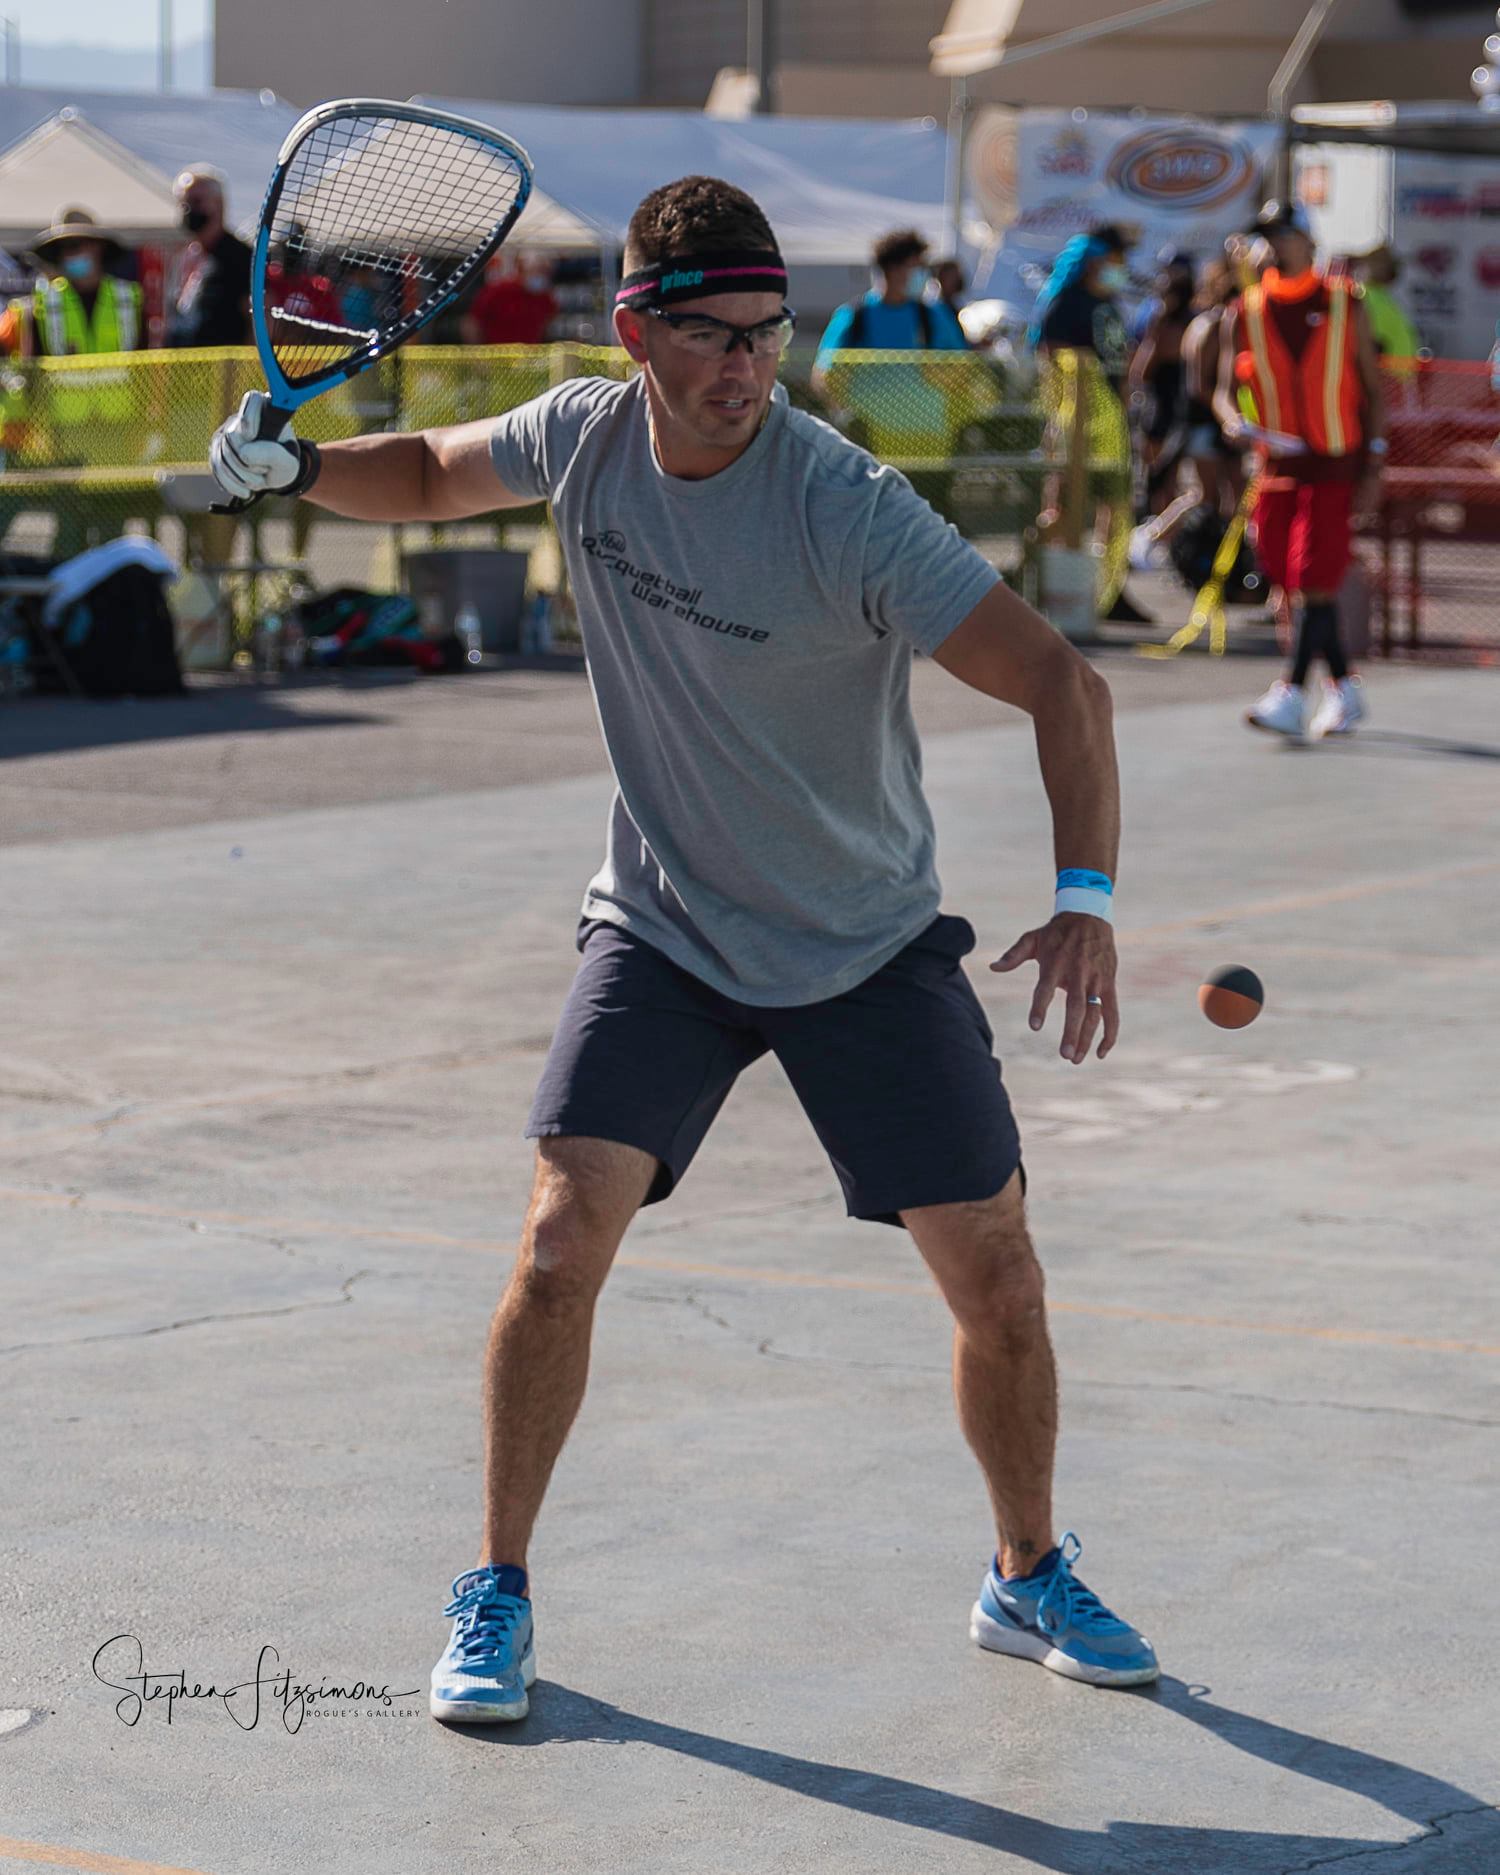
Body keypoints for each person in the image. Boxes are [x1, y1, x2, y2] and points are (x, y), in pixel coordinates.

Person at [211, 173, 1158, 1719]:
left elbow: (1067, 680)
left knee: (998, 1278)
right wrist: (297, 466)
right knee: (556, 1244)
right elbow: (435, 472)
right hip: (662, 923)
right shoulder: (584, 437)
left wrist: (1088, 896)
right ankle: (497, 1588)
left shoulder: (845, 502)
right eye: (713, 333)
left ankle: (1025, 1567)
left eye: (767, 334)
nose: (746, 365)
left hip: (861, 936)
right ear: (636, 329)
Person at [1213, 202, 1387, 741]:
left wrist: (1374, 463)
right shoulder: (1245, 309)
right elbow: (1222, 390)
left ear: (1308, 243)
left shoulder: (1343, 302)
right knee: (1292, 580)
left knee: (1313, 577)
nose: (1275, 246)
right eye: (1268, 237)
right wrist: (1231, 419)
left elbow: (1372, 388)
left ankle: (1290, 693)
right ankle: (1344, 688)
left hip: (1334, 462)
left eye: (1285, 235)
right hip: (1276, 463)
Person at [1030, 226, 1153, 625]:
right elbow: (1050, 360)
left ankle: (1106, 588)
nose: (1120, 267)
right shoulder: (1067, 303)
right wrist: (1064, 418)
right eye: (1115, 259)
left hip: (1112, 422)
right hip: (1076, 421)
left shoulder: (1110, 304)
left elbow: (1119, 357)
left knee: (1114, 505)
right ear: (1093, 261)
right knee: (1065, 503)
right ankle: (1056, 583)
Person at [814, 228, 967, 362]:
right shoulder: (853, 315)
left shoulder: (936, 315)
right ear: (892, 269)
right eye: (917, 267)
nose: (923, 275)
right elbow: (824, 372)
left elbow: (963, 366)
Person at [1128, 252, 1195, 512]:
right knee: (1169, 477)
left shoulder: (1165, 326)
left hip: (1162, 408)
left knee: (1156, 474)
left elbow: (1142, 371)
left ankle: (1153, 522)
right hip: (1182, 408)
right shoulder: (1196, 323)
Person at [165, 167, 252, 348]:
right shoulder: (183, 256)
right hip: (184, 361)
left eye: (196, 201)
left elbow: (259, 321)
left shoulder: (242, 258)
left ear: (219, 205)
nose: (188, 209)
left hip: (225, 362)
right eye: (183, 203)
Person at [461, 252, 559, 346]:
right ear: (522, 269)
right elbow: (472, 324)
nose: (540, 275)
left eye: (544, 271)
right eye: (537, 270)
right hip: (495, 353)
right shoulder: (498, 290)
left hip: (529, 355)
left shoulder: (546, 298)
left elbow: (545, 327)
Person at [1353, 244, 1422, 371]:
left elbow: (1367, 344)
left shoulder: (1366, 297)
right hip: (1402, 375)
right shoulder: (1386, 300)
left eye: (1365, 262)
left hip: (1388, 376)